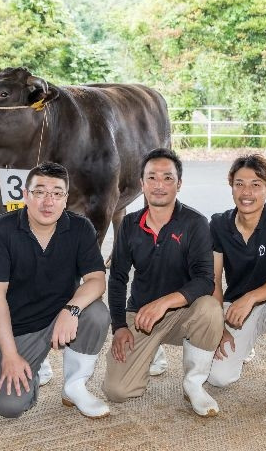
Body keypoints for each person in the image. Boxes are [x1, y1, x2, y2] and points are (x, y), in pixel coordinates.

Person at [102, 148, 224, 417]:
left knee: (211, 308)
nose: (159, 185)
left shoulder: (195, 223)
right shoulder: (130, 225)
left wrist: (165, 303)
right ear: (141, 184)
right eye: (152, 178)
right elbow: (118, 278)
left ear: (179, 184)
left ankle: (193, 384)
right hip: (142, 317)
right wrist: (120, 325)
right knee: (117, 391)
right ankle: (152, 351)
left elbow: (206, 280)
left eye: (168, 178)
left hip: (183, 313)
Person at [0, 162, 110, 419]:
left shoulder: (80, 227)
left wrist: (71, 309)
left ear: (66, 199)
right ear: (25, 195)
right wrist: (9, 354)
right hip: (23, 325)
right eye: (40, 192)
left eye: (56, 193)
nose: (48, 201)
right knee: (9, 407)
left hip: (63, 318)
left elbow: (97, 280)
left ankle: (74, 386)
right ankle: (22, 363)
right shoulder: (2, 229)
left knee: (97, 313)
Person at [206, 155, 266, 410]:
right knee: (218, 378)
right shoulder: (218, 224)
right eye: (239, 184)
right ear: (231, 186)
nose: (246, 192)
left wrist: (250, 298)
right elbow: (213, 279)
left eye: (256, 184)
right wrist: (219, 327)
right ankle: (245, 344)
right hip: (237, 306)